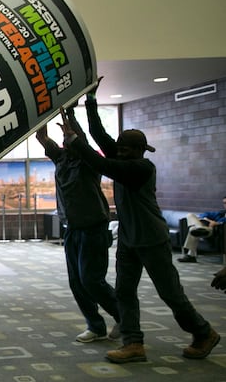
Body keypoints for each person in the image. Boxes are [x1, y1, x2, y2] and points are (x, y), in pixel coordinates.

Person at [55, 89, 220, 364]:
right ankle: (133, 343)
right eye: (119, 147)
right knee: (124, 292)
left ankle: (203, 332)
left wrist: (74, 138)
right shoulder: (122, 159)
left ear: (141, 150)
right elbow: (98, 136)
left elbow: (97, 161)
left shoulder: (140, 168)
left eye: (127, 148)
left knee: (170, 293)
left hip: (152, 239)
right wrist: (89, 104)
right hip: (130, 241)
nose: (120, 151)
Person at [35, 107, 121, 343]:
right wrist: (40, 113)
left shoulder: (90, 162)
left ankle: (124, 317)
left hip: (94, 228)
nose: (65, 140)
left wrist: (71, 118)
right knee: (77, 282)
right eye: (65, 138)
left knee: (91, 279)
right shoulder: (61, 158)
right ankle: (95, 325)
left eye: (69, 138)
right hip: (72, 229)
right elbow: (41, 137)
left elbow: (81, 140)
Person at [177, 196, 226, 263]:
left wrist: (217, 223)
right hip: (205, 228)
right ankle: (199, 228)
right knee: (190, 215)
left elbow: (223, 222)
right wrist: (209, 220)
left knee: (193, 229)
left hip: (211, 231)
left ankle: (191, 256)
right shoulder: (221, 213)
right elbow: (205, 214)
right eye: (224, 203)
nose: (225, 205)